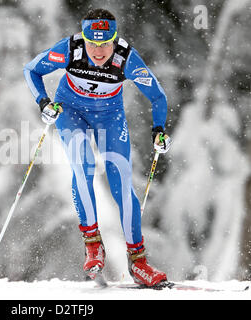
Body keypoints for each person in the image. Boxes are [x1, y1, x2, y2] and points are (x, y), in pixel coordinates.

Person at [23, 8, 172, 287]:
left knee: (122, 182)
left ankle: (138, 263)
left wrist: (159, 130)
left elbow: (158, 96)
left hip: (109, 116)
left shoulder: (127, 58)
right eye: (93, 43)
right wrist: (44, 102)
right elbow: (31, 70)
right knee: (83, 166)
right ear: (84, 38)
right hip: (71, 111)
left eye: (105, 44)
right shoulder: (70, 49)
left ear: (114, 41)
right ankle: (93, 245)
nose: (98, 50)